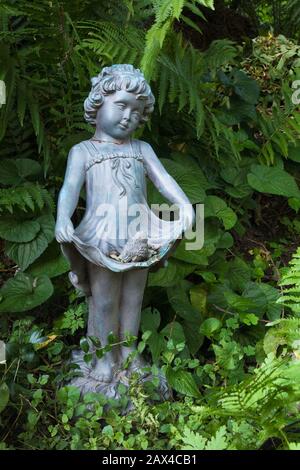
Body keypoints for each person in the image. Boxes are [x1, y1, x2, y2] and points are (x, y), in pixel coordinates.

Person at [55, 64, 194, 387]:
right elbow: (69, 189)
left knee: (133, 297)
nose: (129, 116)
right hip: (102, 238)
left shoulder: (141, 149)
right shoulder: (83, 151)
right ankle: (104, 357)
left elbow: (165, 180)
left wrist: (184, 206)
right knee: (104, 300)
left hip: (140, 234)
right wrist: (63, 218)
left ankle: (129, 352)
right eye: (121, 105)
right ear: (97, 105)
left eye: (137, 110)